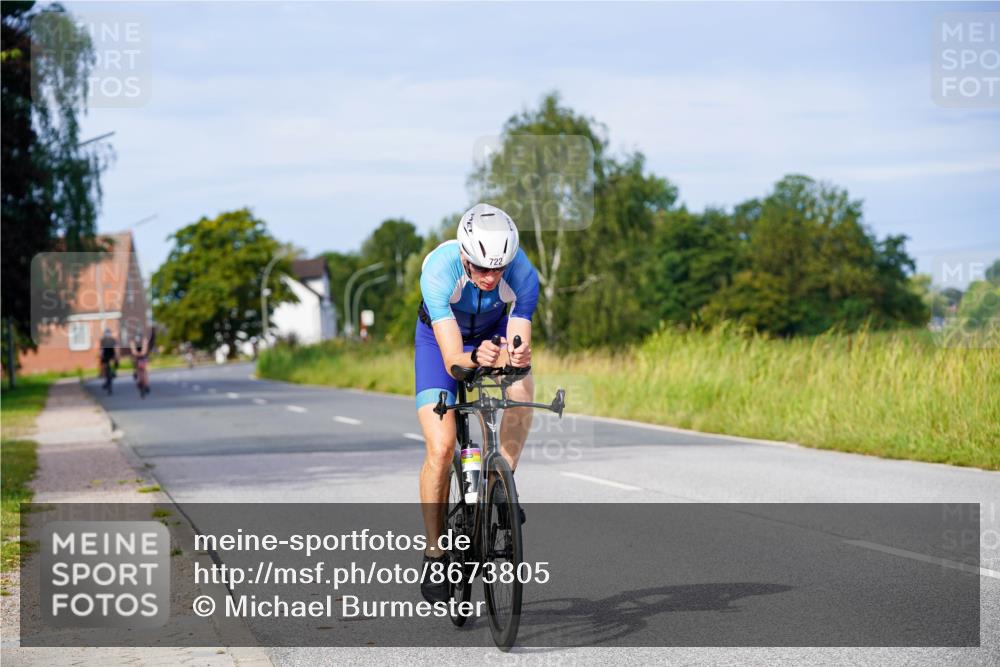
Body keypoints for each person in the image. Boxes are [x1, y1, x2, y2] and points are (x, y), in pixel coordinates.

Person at [414, 203, 539, 603]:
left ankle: (500, 482)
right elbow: (454, 363)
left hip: (493, 331)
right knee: (442, 446)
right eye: (481, 268)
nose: (490, 278)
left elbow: (519, 344)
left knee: (522, 386)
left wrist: (514, 359)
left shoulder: (524, 275)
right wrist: (476, 359)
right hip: (441, 341)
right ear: (465, 257)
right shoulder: (439, 270)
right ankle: (435, 551)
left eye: (498, 269)